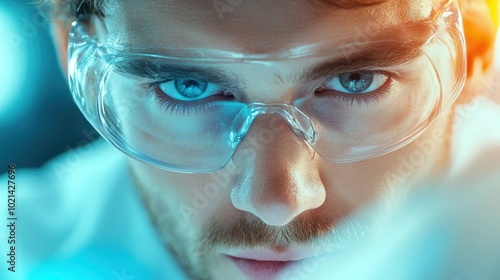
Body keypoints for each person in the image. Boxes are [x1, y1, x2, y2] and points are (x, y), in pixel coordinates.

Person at [1, 0, 500, 279]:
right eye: (189, 87)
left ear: (474, 47)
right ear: (72, 55)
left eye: (357, 81)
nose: (278, 202)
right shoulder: (17, 251)